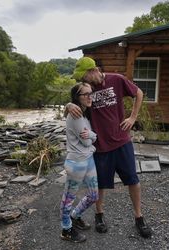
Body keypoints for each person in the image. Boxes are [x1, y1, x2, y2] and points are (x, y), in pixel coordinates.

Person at [67, 57, 152, 238]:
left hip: (122, 141)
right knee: (101, 184)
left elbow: (139, 93)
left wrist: (132, 117)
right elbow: (73, 100)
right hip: (100, 145)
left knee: (133, 180)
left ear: (93, 70)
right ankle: (99, 215)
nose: (84, 81)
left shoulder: (116, 79)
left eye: (84, 76)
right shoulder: (86, 89)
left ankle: (139, 217)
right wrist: (69, 105)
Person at [60, 82, 99, 243]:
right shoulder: (75, 115)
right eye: (85, 94)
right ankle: (66, 229)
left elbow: (89, 139)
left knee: (94, 195)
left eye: (91, 93)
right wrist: (93, 136)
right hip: (76, 162)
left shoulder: (84, 113)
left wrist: (91, 135)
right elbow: (86, 143)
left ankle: (75, 216)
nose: (90, 97)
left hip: (88, 159)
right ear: (77, 97)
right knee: (68, 198)